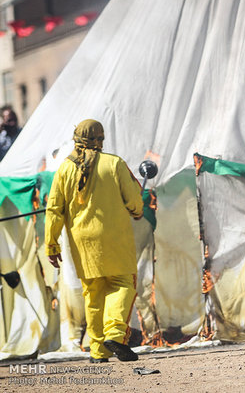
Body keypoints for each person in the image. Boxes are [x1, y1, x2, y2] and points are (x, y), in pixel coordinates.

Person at [45, 119, 144, 362]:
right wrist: (137, 211)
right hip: (114, 239)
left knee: (93, 294)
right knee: (122, 284)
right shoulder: (114, 163)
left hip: (82, 243)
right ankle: (115, 334)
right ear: (100, 138)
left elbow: (54, 209)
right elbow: (133, 198)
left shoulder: (64, 169)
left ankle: (98, 352)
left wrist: (52, 243)